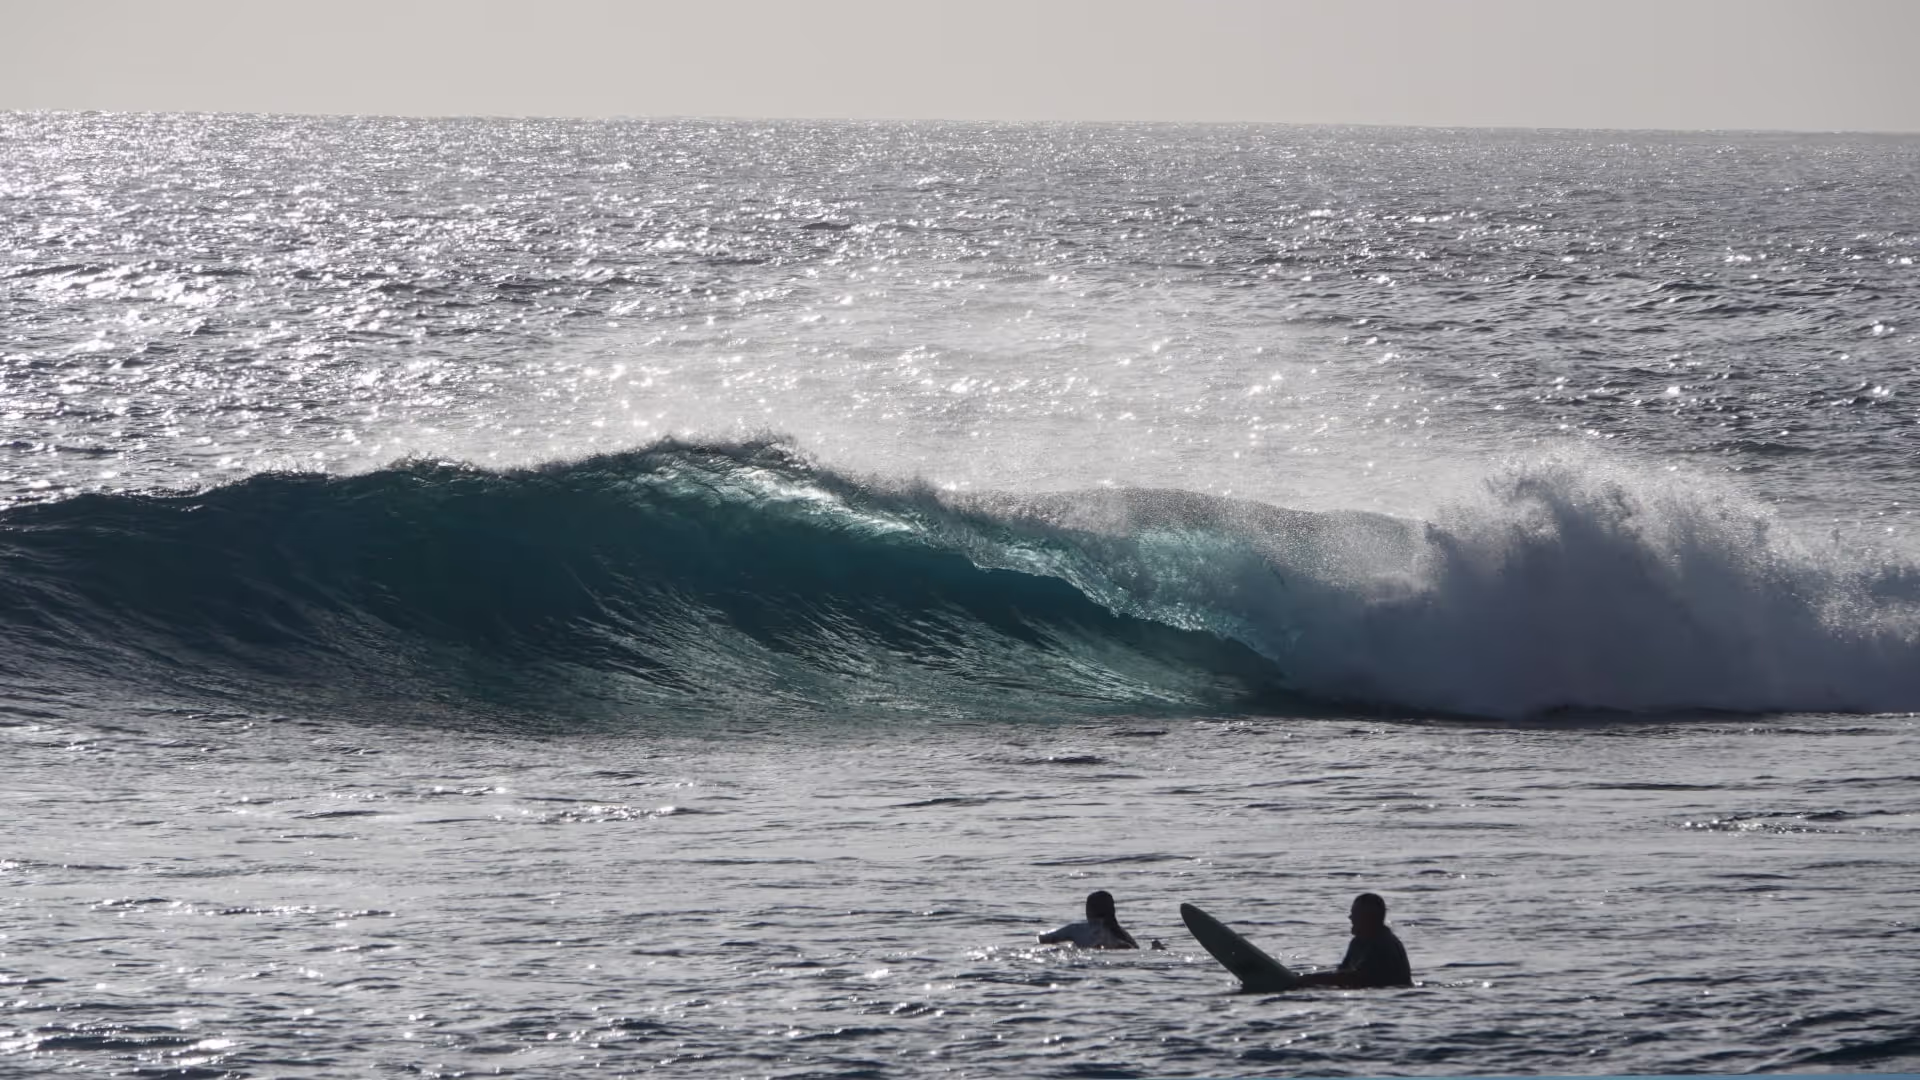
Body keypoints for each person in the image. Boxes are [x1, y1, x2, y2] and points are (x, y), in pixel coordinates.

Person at [1294, 892, 1412, 988]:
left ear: (1368, 918)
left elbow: (1357, 978)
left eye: (1355, 914)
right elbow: (1342, 973)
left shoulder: (1384, 944)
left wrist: (1309, 979)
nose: (1350, 918)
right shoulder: (1358, 942)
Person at [1037, 889, 1140, 949]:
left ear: (1089, 909)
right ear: (1112, 909)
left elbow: (1043, 939)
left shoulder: (1077, 929)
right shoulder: (1122, 934)